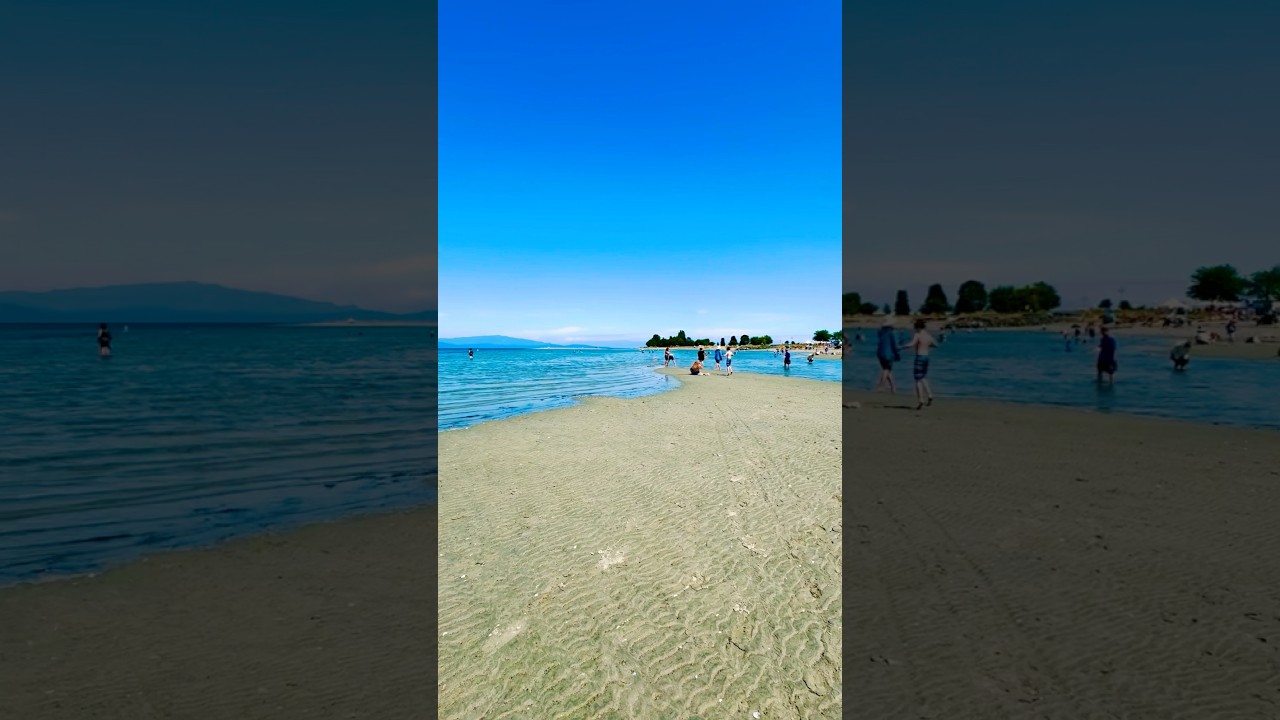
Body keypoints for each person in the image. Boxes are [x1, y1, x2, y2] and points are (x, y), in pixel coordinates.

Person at [900, 319, 936, 410]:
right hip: (926, 357)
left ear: (918, 327)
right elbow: (935, 344)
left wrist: (901, 347)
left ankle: (921, 400)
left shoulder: (918, 334)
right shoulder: (928, 335)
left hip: (919, 357)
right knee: (923, 376)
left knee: (917, 379)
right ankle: (930, 394)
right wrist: (928, 345)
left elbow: (912, 344)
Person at [874, 317, 901, 393]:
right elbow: (895, 344)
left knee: (887, 370)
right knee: (886, 369)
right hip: (888, 353)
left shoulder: (881, 332)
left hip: (880, 352)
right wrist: (899, 350)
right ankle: (881, 386)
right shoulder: (893, 333)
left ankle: (893, 387)